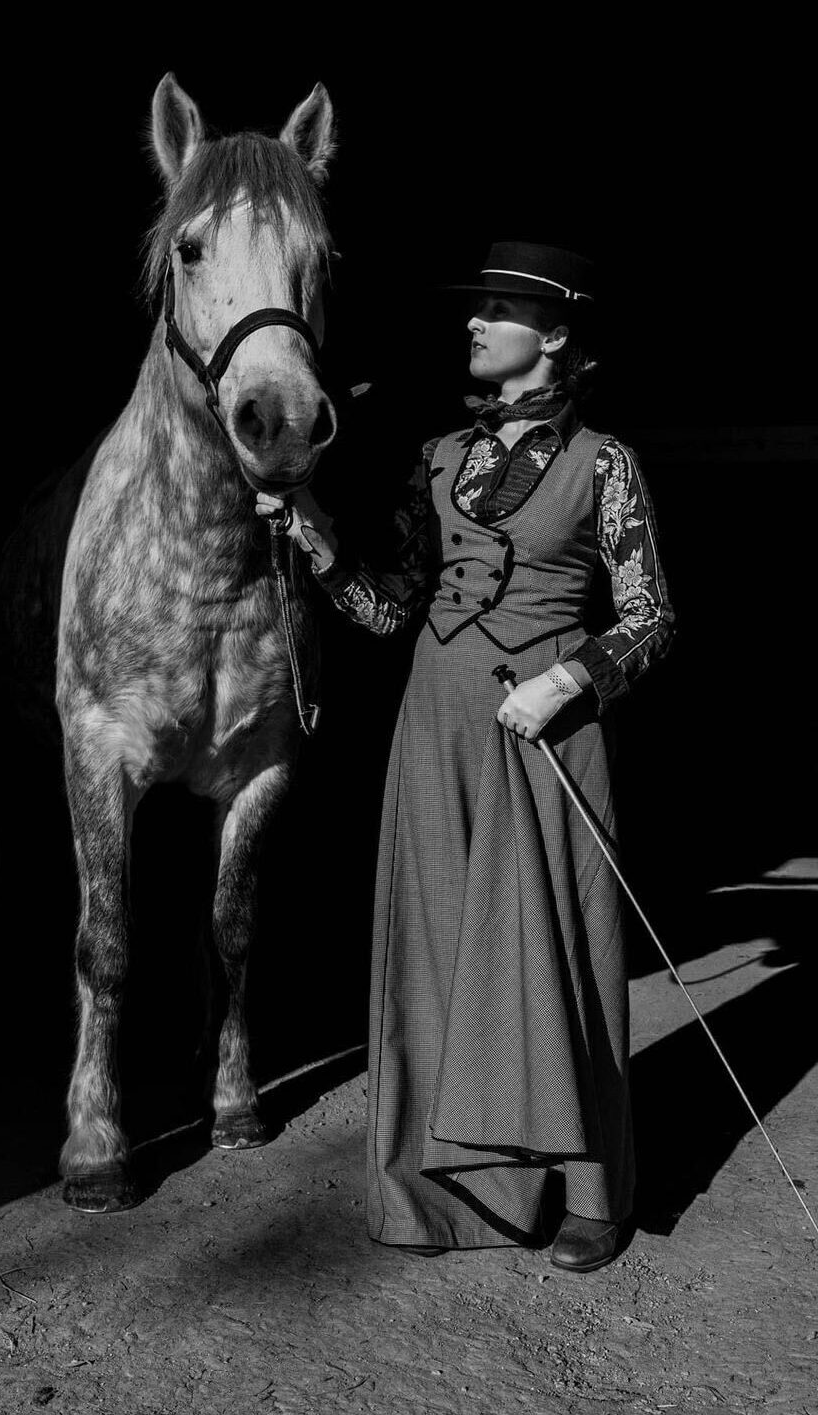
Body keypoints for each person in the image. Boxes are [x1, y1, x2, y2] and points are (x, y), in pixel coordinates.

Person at [257, 241, 675, 1272]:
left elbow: (650, 615)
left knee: (556, 951)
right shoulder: (437, 457)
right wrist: (315, 537)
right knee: (433, 952)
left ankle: (587, 1195)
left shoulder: (604, 462)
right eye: (476, 307)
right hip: (430, 727)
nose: (474, 322)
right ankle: (439, 1197)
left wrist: (568, 680)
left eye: (498, 307)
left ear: (557, 331)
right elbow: (386, 605)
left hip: (542, 729)